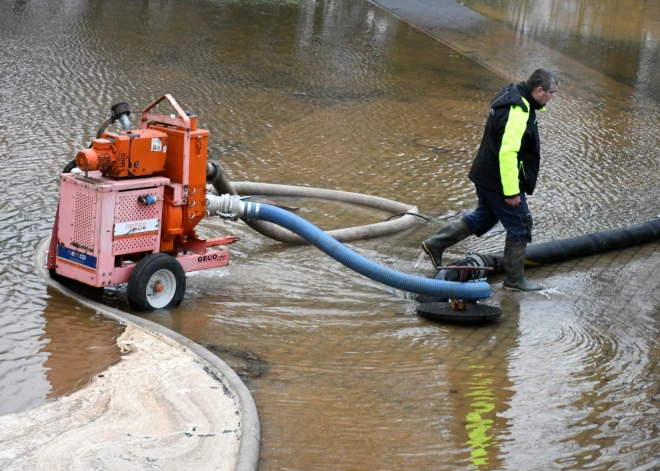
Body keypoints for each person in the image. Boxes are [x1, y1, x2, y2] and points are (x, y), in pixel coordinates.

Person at [422, 69, 558, 291]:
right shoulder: (519, 110)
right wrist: (512, 192)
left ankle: (435, 244)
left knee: (485, 217)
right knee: (520, 226)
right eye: (551, 93)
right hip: (499, 181)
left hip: (484, 174)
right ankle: (514, 281)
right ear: (539, 90)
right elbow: (507, 153)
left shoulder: (512, 95)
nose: (552, 97)